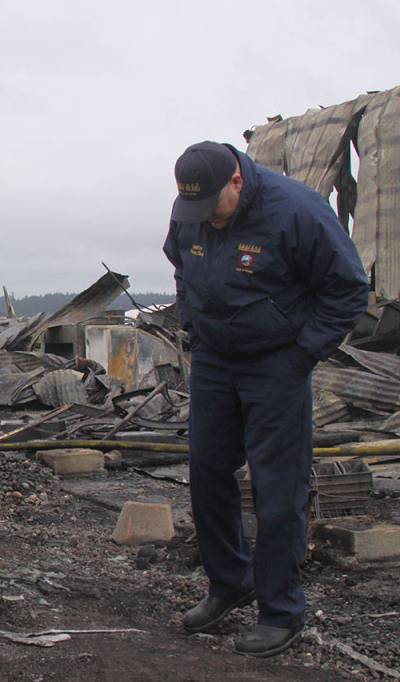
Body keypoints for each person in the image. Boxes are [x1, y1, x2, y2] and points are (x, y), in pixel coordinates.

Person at [163, 141, 368, 657]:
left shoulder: (296, 212)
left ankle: (280, 612)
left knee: (277, 489)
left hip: (277, 362)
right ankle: (230, 583)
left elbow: (348, 289)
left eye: (212, 206)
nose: (204, 219)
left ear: (237, 181)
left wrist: (303, 352)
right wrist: (192, 323)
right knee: (207, 471)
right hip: (214, 358)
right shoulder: (192, 208)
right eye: (195, 209)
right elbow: (180, 266)